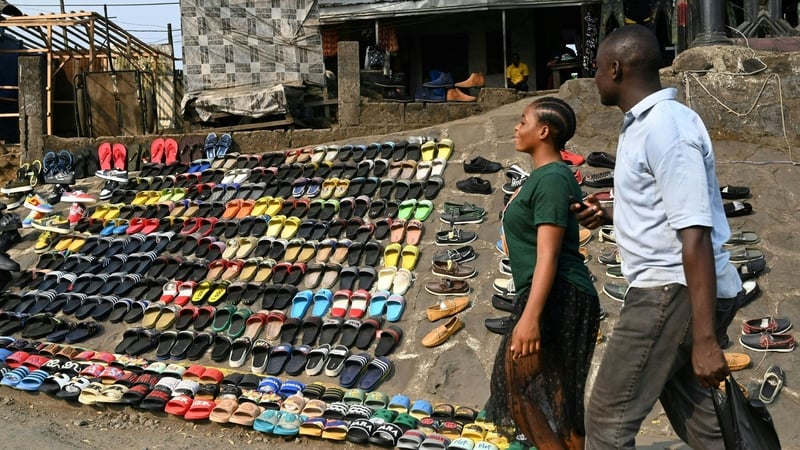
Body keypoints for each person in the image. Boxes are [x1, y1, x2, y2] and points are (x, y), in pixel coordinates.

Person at [575, 25, 744, 449]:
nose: (594, 77)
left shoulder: (667, 129)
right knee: (699, 419)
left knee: (606, 423)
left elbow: (695, 234)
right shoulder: (644, 125)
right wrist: (613, 212)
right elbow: (666, 209)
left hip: (669, 290)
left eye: (596, 69)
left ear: (614, 69)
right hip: (670, 288)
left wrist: (705, 340)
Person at [486, 97, 600, 449]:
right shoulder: (546, 176)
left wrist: (530, 317)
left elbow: (548, 255)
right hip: (554, 293)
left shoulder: (551, 178)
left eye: (523, 121)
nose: (517, 128)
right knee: (558, 397)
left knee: (514, 387)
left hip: (557, 294)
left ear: (544, 131)